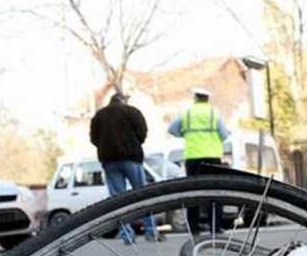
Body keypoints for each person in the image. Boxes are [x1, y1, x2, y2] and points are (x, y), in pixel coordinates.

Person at [90, 92, 162, 243]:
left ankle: (127, 235)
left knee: (118, 200)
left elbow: (94, 138)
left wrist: (105, 147)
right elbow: (142, 133)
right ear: (123, 100)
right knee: (142, 195)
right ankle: (151, 231)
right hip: (131, 158)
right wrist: (133, 143)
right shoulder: (132, 112)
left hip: (109, 160)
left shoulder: (99, 115)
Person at [168, 87, 230, 233]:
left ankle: (194, 227)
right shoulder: (214, 113)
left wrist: (185, 134)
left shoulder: (187, 113)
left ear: (195, 98)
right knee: (215, 191)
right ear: (208, 99)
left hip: (193, 157)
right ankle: (215, 227)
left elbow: (172, 129)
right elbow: (224, 135)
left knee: (194, 191)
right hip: (212, 157)